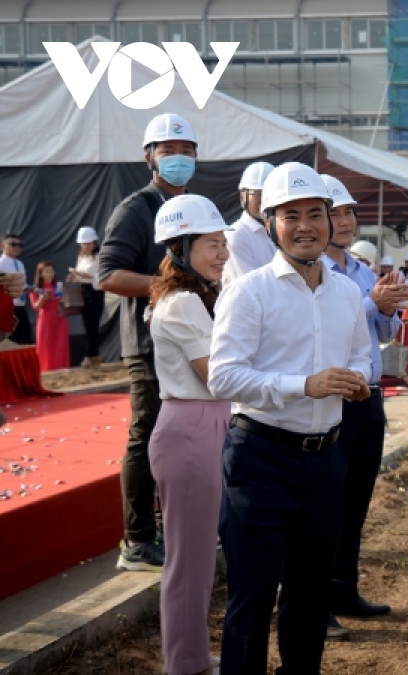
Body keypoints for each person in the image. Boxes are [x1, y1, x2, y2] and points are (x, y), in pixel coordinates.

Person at [208, 162, 372, 674]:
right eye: (291, 215)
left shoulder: (346, 291)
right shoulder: (249, 291)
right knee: (252, 597)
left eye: (315, 214)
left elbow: (362, 353)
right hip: (260, 458)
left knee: (308, 591)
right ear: (271, 222)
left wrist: (359, 377)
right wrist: (303, 385)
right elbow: (224, 378)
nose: (306, 225)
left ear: (330, 218)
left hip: (325, 459)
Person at [98, 112, 198, 572]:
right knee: (148, 434)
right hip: (146, 342)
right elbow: (109, 275)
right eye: (168, 150)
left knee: (180, 437)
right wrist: (169, 288)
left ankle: (176, 529)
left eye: (186, 151)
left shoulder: (191, 209)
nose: (178, 159)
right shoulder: (136, 208)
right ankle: (137, 541)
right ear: (148, 156)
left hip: (185, 342)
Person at [145, 194, 232, 675]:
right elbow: (217, 375)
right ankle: (185, 664)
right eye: (211, 244)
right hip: (193, 427)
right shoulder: (182, 304)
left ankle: (193, 656)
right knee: (189, 561)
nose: (222, 253)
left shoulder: (199, 297)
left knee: (201, 557)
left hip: (207, 422)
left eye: (223, 243)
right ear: (180, 246)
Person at [319, 174, 407, 640]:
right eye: (334, 213)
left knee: (356, 501)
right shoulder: (315, 273)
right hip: (334, 398)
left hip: (370, 396)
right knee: (325, 504)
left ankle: (344, 589)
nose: (345, 221)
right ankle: (316, 604)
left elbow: (381, 336)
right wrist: (372, 304)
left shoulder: (359, 269)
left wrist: (387, 308)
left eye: (349, 212)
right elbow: (334, 327)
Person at [222, 161, 274, 285]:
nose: (264, 199)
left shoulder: (278, 231)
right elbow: (249, 289)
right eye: (258, 193)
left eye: (269, 193)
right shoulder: (237, 235)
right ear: (242, 196)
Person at [68, 227, 105, 368]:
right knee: (87, 325)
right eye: (83, 244)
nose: (86, 246)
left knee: (92, 324)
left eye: (88, 243)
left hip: (95, 291)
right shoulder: (81, 257)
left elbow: (102, 276)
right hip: (82, 290)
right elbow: (79, 274)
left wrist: (87, 276)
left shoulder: (100, 256)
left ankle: (90, 355)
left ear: (95, 242)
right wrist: (74, 276)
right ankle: (94, 355)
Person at [29, 262, 70, 372]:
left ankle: (61, 369)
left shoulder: (58, 285)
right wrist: (42, 298)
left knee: (61, 346)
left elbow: (65, 301)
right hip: (45, 321)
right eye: (47, 271)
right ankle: (46, 370)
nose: (50, 274)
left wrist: (66, 296)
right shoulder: (35, 288)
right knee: (46, 346)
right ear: (41, 274)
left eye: (52, 271)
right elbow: (36, 307)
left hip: (60, 319)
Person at [0, 233, 32, 345]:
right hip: (7, 309)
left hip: (20, 307)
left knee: (25, 340)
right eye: (13, 244)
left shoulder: (20, 263)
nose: (17, 247)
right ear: (2, 246)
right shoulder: (1, 264)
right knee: (10, 342)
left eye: (19, 245)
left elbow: (22, 284)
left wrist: (30, 288)